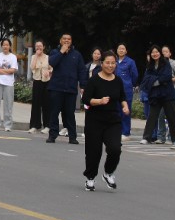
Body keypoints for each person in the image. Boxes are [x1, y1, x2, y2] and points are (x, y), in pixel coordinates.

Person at [82, 53, 130, 192]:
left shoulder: (118, 80)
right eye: (107, 63)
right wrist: (99, 101)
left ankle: (108, 172)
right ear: (102, 63)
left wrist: (125, 106)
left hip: (112, 121)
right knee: (94, 152)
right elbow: (86, 99)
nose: (110, 65)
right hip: (94, 120)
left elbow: (122, 97)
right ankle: (90, 178)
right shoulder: (94, 80)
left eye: (113, 63)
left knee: (115, 149)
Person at [47, 34, 85, 144]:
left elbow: (82, 70)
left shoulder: (76, 55)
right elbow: (52, 62)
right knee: (54, 113)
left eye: (69, 39)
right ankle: (52, 135)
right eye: (64, 39)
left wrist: (83, 85)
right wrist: (61, 52)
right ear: (60, 41)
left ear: (71, 41)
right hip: (56, 88)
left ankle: (72, 137)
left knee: (70, 114)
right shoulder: (55, 52)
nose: (66, 40)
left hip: (70, 89)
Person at [139, 45, 175, 145]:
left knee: (172, 117)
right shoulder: (150, 65)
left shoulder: (166, 63)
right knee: (152, 116)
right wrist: (156, 80)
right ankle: (146, 137)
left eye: (156, 52)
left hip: (167, 93)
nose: (155, 54)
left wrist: (154, 81)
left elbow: (167, 76)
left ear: (160, 53)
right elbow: (146, 79)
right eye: (153, 52)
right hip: (155, 94)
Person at [0, 39, 19, 131]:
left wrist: (1, 71)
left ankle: (8, 125)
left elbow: (13, 70)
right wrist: (6, 71)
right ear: (1, 46)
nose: (5, 46)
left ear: (10, 46)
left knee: (8, 104)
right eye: (4, 45)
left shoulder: (13, 57)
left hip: (9, 83)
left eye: (7, 45)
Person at [113, 44, 139, 139]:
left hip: (126, 89)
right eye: (119, 48)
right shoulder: (114, 61)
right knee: (116, 110)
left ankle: (126, 132)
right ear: (117, 50)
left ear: (126, 51)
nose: (121, 50)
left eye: (123, 49)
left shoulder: (130, 62)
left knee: (125, 110)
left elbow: (135, 75)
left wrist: (130, 84)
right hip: (115, 89)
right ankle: (117, 130)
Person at [27, 40, 52, 134]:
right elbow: (32, 67)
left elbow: (52, 68)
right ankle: (34, 125)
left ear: (44, 47)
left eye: (40, 46)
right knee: (36, 104)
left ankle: (47, 126)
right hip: (37, 81)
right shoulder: (33, 57)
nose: (38, 47)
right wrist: (36, 56)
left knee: (47, 104)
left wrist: (49, 72)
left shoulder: (48, 57)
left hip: (46, 82)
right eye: (37, 46)